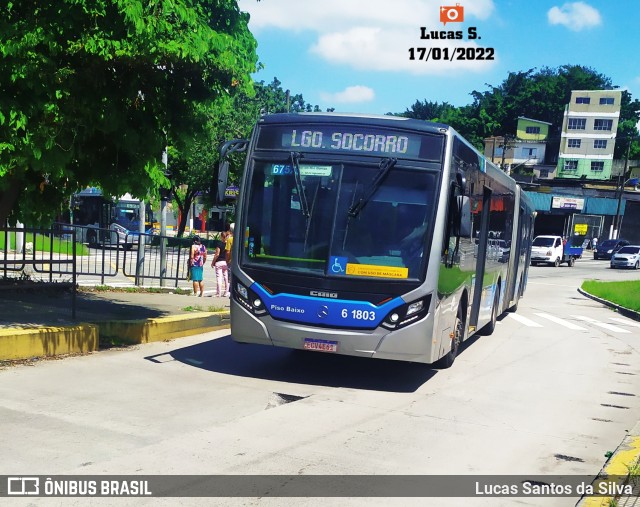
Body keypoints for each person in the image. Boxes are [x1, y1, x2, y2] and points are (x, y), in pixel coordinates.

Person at [210, 231, 229, 297]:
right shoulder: (227, 244)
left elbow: (217, 254)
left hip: (219, 262)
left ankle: (218, 293)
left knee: (219, 277)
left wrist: (213, 262)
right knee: (226, 277)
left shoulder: (219, 244)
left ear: (221, 236)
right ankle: (226, 292)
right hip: (225, 262)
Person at [224, 223, 234, 297]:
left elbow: (228, 252)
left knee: (230, 278)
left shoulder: (230, 239)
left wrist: (227, 261)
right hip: (239, 262)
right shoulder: (242, 238)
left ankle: (231, 293)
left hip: (231, 261)